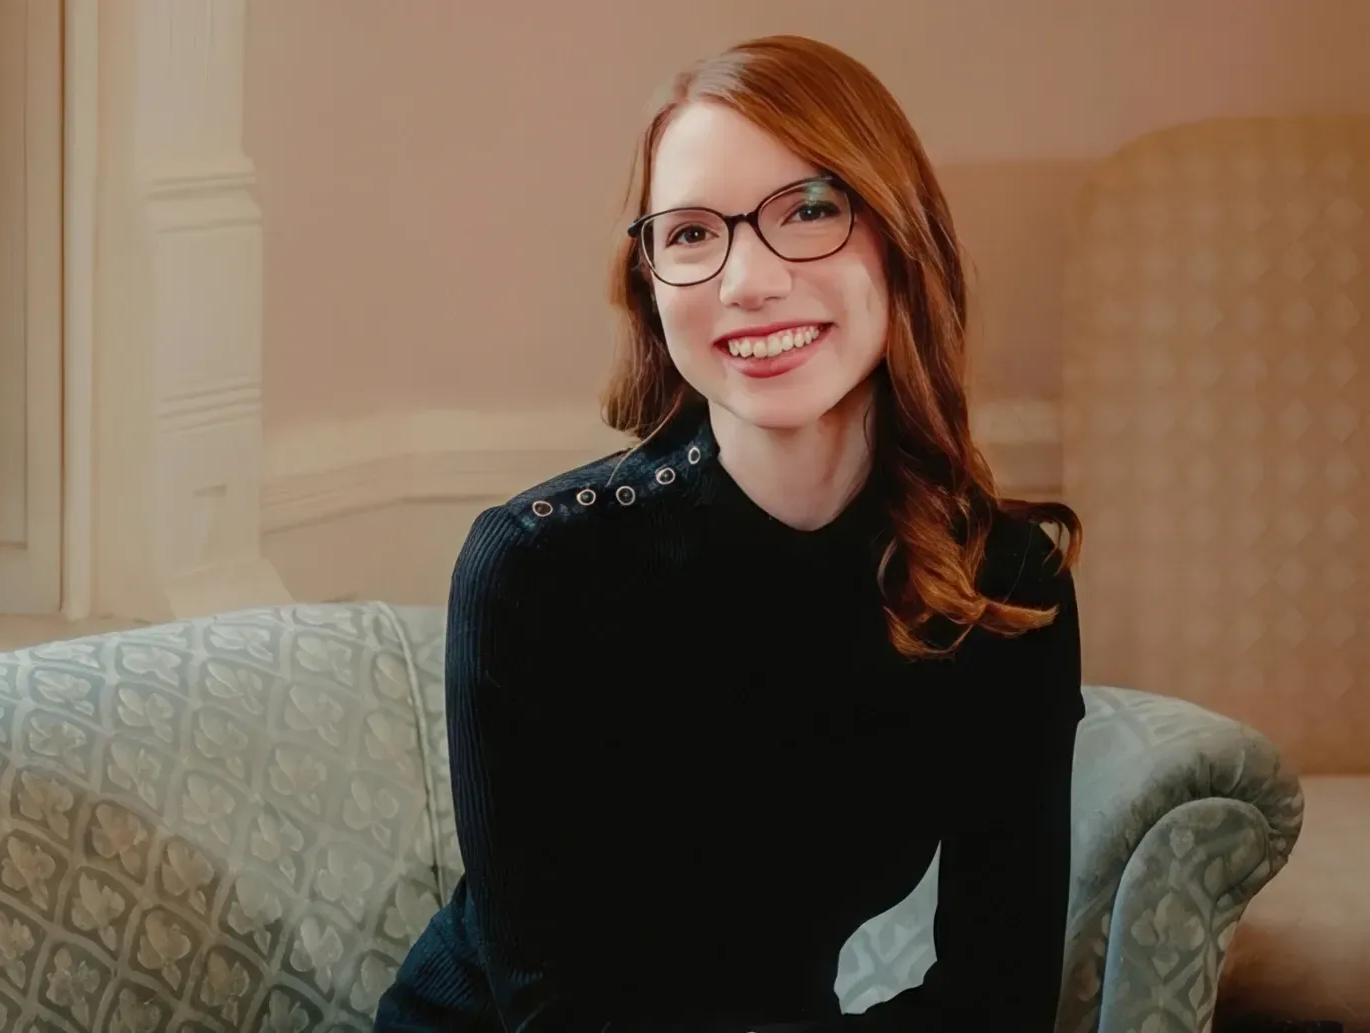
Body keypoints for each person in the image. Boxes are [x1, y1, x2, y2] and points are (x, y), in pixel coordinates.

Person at [372, 33, 1086, 1033]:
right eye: (691, 233)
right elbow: (554, 1007)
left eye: (809, 210)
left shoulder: (1000, 584)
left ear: (901, 238)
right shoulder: (537, 567)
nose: (747, 280)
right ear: (650, 283)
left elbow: (998, 998)